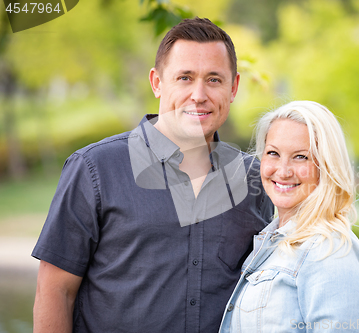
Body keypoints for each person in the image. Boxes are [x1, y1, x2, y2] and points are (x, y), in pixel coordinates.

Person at [32, 18, 273, 333]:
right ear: (157, 82)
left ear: (234, 87)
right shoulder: (94, 169)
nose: (198, 94)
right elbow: (55, 291)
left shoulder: (256, 180)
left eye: (214, 79)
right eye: (184, 78)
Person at [219, 101, 359, 332]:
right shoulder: (270, 242)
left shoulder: (329, 250)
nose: (283, 171)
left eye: (301, 157)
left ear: (327, 166)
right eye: (273, 153)